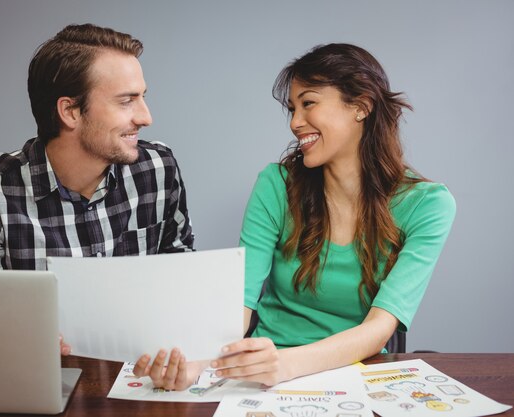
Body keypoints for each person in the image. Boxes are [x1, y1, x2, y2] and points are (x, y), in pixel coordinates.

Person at [133, 43, 455, 389]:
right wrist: (196, 362)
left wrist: (286, 364)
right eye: (292, 108)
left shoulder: (428, 205)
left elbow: (379, 328)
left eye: (309, 103)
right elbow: (239, 300)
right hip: (265, 372)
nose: (295, 123)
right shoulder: (275, 185)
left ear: (361, 106)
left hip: (354, 377)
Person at [0, 24, 194, 271]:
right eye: (126, 101)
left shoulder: (159, 170)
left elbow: (183, 277)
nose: (146, 118)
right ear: (70, 111)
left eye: (143, 97)